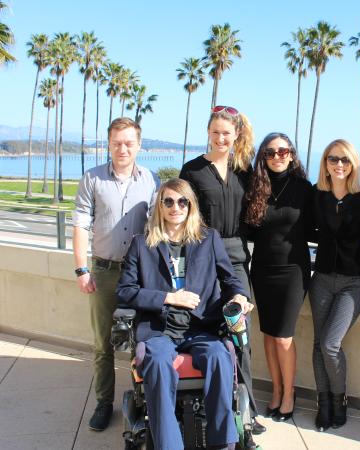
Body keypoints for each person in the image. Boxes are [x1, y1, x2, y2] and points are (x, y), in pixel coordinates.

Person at [116, 178, 253, 450]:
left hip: (202, 326)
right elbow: (125, 291)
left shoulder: (208, 239)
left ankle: (223, 443)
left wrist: (240, 295)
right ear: (160, 206)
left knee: (219, 356)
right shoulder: (142, 244)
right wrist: (168, 297)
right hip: (159, 329)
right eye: (168, 201)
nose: (175, 207)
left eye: (182, 201)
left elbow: (229, 278)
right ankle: (169, 445)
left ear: (191, 205)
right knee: (157, 362)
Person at [179, 106, 265, 435]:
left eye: (226, 132)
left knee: (240, 331)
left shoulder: (244, 169)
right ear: (208, 132)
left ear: (236, 135)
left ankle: (247, 412)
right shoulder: (192, 170)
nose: (220, 138)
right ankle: (204, 399)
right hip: (202, 255)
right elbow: (184, 217)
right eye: (215, 132)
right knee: (203, 326)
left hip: (237, 257)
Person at [72, 117, 160, 431]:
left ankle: (144, 400)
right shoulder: (92, 178)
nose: (122, 148)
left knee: (144, 341)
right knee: (102, 344)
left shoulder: (151, 180)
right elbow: (81, 225)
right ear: (109, 143)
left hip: (139, 276)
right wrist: (82, 269)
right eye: (116, 142)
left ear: (138, 145)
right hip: (104, 272)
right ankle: (103, 403)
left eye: (128, 142)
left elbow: (157, 228)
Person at [244, 132, 313, 422]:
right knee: (269, 336)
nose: (277, 156)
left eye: (283, 151)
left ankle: (289, 394)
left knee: (283, 336)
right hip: (262, 270)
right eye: (270, 152)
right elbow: (248, 230)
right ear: (263, 157)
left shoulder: (304, 188)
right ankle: (275, 390)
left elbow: (317, 227)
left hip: (293, 271)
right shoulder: (256, 187)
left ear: (292, 155)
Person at [309, 139, 360, 431]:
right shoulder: (316, 196)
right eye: (333, 159)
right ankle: (323, 403)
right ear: (325, 162)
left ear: (353, 164)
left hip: (354, 281)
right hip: (321, 278)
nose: (339, 165)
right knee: (317, 343)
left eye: (345, 160)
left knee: (329, 343)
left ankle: (340, 399)